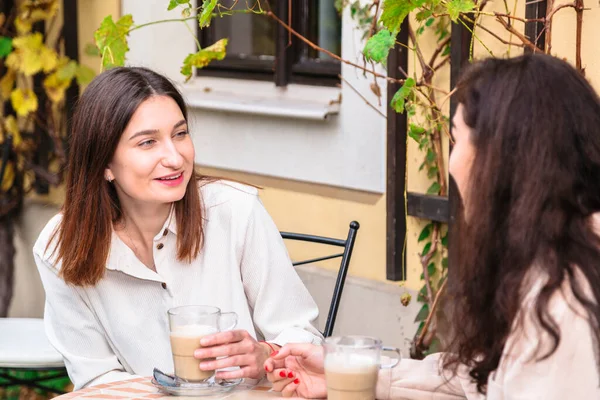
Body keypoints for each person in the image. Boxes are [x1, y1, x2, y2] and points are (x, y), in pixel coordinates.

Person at [264, 54, 600, 399]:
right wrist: (346, 369)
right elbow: (473, 380)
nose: (452, 164)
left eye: (455, 140)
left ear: (503, 160)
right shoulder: (551, 260)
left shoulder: (561, 297)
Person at [33, 67, 322, 390]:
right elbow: (96, 379)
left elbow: (303, 335)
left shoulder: (235, 210)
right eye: (147, 142)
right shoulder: (60, 247)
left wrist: (265, 353)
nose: (174, 157)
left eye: (180, 134)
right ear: (105, 164)